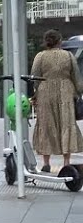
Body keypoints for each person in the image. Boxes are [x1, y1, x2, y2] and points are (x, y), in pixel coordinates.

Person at [30, 28, 83, 172]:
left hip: (45, 92)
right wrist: (78, 92)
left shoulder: (40, 56)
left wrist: (35, 94)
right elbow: (76, 77)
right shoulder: (68, 56)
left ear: (46, 42)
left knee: (46, 125)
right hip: (65, 92)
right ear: (59, 41)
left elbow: (34, 77)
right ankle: (66, 162)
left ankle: (46, 163)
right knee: (66, 124)